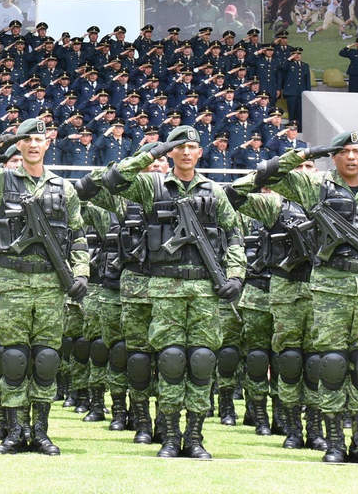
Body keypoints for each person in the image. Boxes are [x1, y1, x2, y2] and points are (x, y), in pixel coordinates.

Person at [227, 132, 358, 465]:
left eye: (357, 151)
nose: (351, 157)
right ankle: (334, 441)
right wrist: (306, 153)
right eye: (344, 151)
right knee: (330, 364)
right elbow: (254, 181)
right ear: (333, 156)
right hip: (329, 288)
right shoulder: (314, 187)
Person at [80, 124, 246, 459]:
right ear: (170, 152)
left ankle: (194, 437)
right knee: (169, 361)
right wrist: (149, 153)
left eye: (191, 147)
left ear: (200, 152)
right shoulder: (151, 186)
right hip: (163, 288)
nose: (185, 152)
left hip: (205, 288)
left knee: (201, 362)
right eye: (178, 147)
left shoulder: (214, 191)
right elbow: (111, 180)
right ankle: (168, 435)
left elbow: (234, 236)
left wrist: (236, 276)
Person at [0, 117, 89, 456]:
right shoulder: (0, 180)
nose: (32, 145)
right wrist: (1, 141)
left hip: (51, 283)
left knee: (46, 358)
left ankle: (40, 431)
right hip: (11, 281)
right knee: (14, 357)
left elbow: (78, 235)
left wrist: (81, 273)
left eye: (38, 139)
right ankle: (15, 430)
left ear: (47, 144)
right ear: (19, 144)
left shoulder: (64, 188)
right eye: (26, 139)